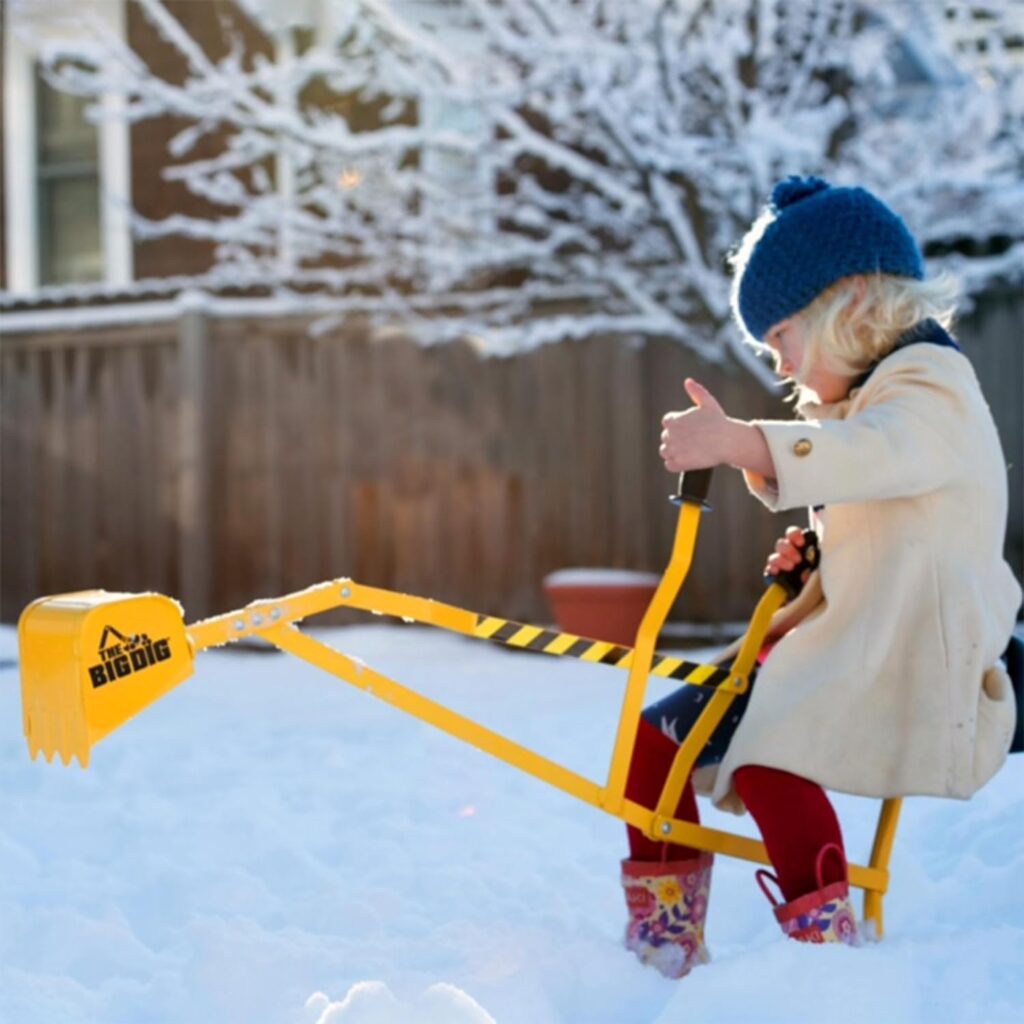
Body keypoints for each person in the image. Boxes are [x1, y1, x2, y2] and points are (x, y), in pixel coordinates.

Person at [619, 175, 1022, 979]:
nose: (783, 369)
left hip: (914, 662)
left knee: (772, 752)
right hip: (850, 652)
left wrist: (741, 445)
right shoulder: (873, 402)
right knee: (658, 739)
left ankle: (825, 951)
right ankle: (663, 946)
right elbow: (880, 506)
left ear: (853, 302)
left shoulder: (933, 386)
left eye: (782, 341)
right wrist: (817, 558)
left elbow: (882, 455)